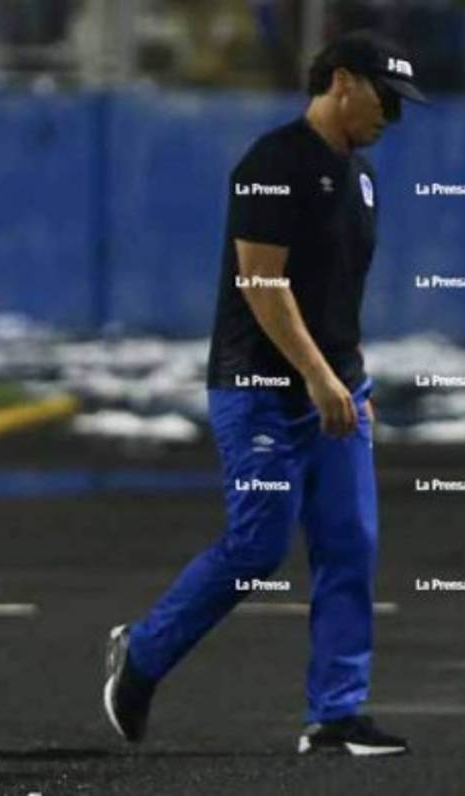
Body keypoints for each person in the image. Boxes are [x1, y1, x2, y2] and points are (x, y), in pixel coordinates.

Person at [103, 30, 427, 756]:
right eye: (386, 99)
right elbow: (262, 286)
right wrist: (318, 376)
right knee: (259, 544)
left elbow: (337, 293)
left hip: (333, 389)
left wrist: (350, 376)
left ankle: (336, 715)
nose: (393, 118)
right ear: (342, 81)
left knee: (350, 546)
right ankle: (143, 654)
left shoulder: (363, 178)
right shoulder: (272, 163)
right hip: (260, 390)